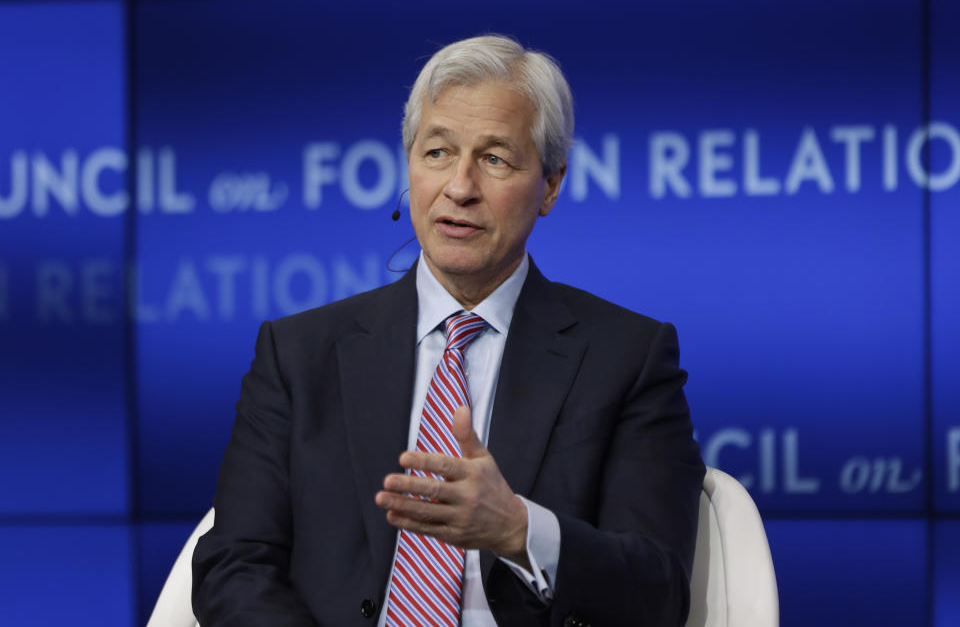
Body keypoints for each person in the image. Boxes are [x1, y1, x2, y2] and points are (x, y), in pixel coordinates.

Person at [192, 34, 705, 627]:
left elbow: (660, 592)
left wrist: (519, 531)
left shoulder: (626, 358)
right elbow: (235, 566)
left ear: (551, 184)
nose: (459, 188)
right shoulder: (297, 355)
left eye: (494, 159)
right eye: (437, 152)